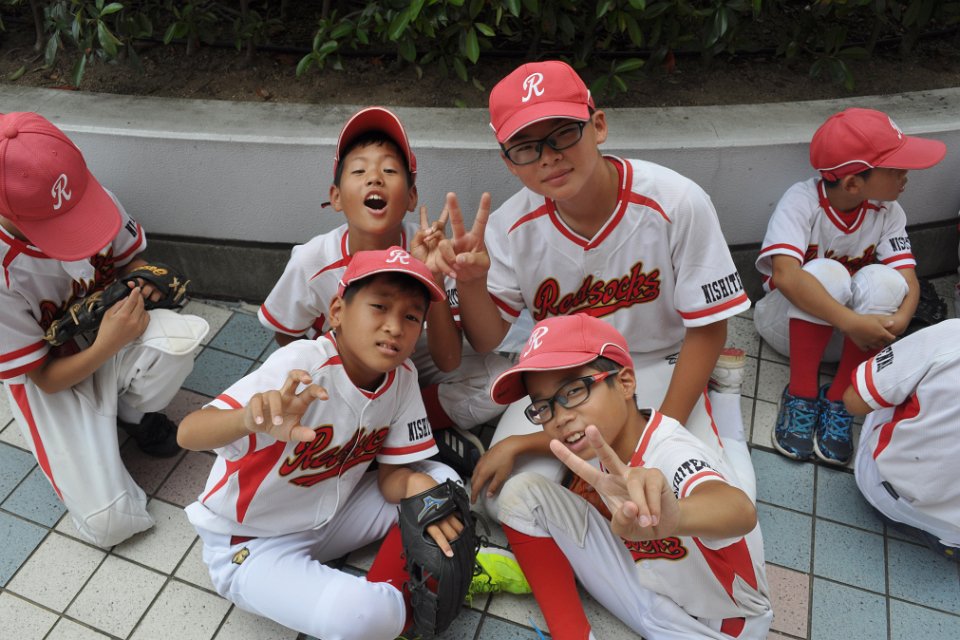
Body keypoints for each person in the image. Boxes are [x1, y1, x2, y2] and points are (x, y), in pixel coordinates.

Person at [434, 60, 754, 514]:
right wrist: (472, 283)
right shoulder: (509, 225)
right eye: (525, 147)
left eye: (563, 133)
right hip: (560, 375)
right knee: (501, 502)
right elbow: (488, 340)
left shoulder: (677, 201)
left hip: (655, 360)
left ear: (598, 126)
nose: (548, 156)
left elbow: (708, 329)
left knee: (709, 508)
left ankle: (724, 407)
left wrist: (654, 441)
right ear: (508, 161)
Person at [180, 247, 467, 639]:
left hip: (334, 517)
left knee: (444, 485)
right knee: (362, 617)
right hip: (252, 541)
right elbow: (189, 431)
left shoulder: (402, 377)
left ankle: (403, 598)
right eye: (379, 306)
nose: (395, 326)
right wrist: (246, 418)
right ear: (337, 312)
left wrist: (416, 483)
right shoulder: (302, 365)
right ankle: (399, 608)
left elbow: (391, 480)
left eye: (411, 316)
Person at [257, 106, 509, 476]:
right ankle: (389, 435)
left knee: (498, 379)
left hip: (409, 358)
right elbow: (286, 334)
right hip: (348, 370)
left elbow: (448, 361)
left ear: (411, 197)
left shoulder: (430, 249)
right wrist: (335, 366)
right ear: (336, 196)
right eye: (359, 171)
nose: (374, 177)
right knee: (300, 403)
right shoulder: (313, 260)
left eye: (390, 171)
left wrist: (434, 276)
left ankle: (403, 428)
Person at [489, 314, 771, 640]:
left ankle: (725, 399)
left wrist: (674, 516)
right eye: (543, 407)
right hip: (651, 589)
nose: (560, 418)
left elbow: (738, 509)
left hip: (714, 625)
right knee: (522, 495)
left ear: (624, 383)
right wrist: (517, 443)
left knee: (736, 478)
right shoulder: (605, 437)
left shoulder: (671, 451)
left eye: (574, 390)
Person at [0, 111, 209, 547]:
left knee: (177, 339)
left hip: (104, 333)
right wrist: (107, 346)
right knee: (112, 522)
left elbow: (130, 260)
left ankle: (131, 415)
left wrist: (143, 280)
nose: (74, 220)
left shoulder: (87, 196)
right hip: (48, 373)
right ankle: (99, 422)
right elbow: (43, 378)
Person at [754, 107, 945, 465]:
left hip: (852, 340)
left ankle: (840, 396)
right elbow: (785, 276)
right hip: (787, 328)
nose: (905, 175)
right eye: (895, 169)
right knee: (826, 273)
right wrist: (851, 322)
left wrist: (901, 319)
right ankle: (801, 393)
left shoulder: (888, 211)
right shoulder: (802, 201)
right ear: (853, 183)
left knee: (885, 281)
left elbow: (908, 280)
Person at [843, 318, 960, 560]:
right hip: (954, 535)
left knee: (888, 390)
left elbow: (854, 401)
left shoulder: (953, 334)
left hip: (891, 498)